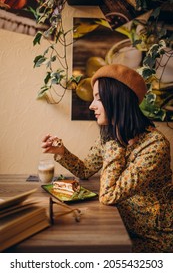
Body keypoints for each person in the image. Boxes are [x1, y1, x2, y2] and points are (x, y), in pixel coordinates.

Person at [41, 64, 173, 253]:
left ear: (119, 101)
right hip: (122, 223)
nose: (91, 105)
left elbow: (109, 195)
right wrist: (62, 151)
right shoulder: (112, 133)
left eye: (98, 99)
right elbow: (85, 170)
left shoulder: (155, 146)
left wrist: (114, 143)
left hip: (153, 238)